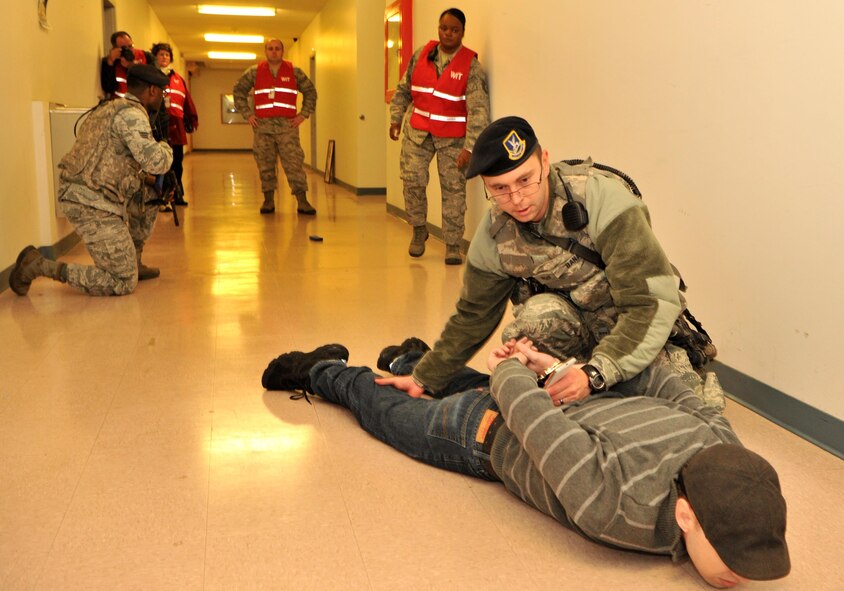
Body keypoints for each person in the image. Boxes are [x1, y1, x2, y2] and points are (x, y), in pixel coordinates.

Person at [261, 339, 790, 589]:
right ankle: (321, 371)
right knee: (385, 410)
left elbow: (660, 382)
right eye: (732, 560)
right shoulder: (620, 509)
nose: (745, 574)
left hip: (555, 407)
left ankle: (412, 360)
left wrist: (546, 374)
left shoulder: (731, 453)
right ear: (684, 515)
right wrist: (527, 367)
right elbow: (533, 421)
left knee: (470, 383)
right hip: (489, 431)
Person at [378, 115, 723, 409]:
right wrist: (425, 378)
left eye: (525, 180)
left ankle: (607, 384)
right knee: (527, 329)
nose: (516, 199)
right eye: (499, 189)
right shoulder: (496, 233)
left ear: (545, 161)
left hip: (630, 326)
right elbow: (473, 316)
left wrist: (595, 373)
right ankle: (578, 389)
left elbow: (648, 303)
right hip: (573, 329)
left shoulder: (603, 198)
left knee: (693, 411)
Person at [9, 65, 173, 297]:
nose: (163, 101)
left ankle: (133, 259)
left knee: (149, 193)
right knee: (123, 281)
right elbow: (157, 162)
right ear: (152, 91)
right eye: (164, 94)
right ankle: (39, 265)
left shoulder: (109, 107)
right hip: (90, 202)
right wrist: (166, 145)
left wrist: (148, 181)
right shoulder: (132, 115)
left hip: (91, 190)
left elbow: (116, 159)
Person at [389, 8, 490, 265]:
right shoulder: (421, 54)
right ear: (438, 28)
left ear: (462, 32)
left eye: (454, 30)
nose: (448, 34)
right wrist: (396, 118)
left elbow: (478, 110)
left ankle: (453, 244)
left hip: (452, 139)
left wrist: (470, 147)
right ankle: (418, 229)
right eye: (444, 28)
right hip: (418, 132)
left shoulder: (471, 66)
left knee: (453, 190)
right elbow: (403, 90)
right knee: (412, 180)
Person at [233, 38, 317, 215]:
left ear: (282, 51)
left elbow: (310, 92)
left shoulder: (294, 71)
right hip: (263, 127)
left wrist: (303, 114)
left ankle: (302, 201)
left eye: (277, 48)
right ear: (265, 51)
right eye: (270, 49)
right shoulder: (255, 72)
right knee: (265, 164)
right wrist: (248, 114)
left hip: (287, 127)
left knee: (294, 163)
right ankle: (268, 200)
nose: (274, 52)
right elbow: (239, 91)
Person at [151, 42, 198, 207]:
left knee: (177, 163)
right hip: (157, 127)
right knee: (159, 163)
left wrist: (190, 118)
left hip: (175, 126)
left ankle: (177, 194)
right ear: (155, 57)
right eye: (161, 54)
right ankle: (159, 195)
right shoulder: (151, 76)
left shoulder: (178, 79)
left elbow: (187, 101)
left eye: (166, 55)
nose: (164, 57)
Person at [101, 31, 150, 98]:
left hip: (142, 105)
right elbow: (109, 88)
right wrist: (110, 62)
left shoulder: (145, 56)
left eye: (130, 46)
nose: (129, 50)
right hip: (121, 105)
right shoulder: (112, 62)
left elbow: (152, 83)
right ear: (116, 49)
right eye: (124, 48)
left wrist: (132, 66)